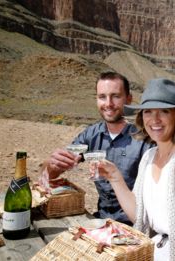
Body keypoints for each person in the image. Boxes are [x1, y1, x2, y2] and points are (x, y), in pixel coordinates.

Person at [96, 78, 175, 260]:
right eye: (148, 111)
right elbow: (139, 215)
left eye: (164, 111)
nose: (155, 119)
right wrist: (115, 177)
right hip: (162, 251)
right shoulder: (149, 157)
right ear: (141, 117)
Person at [40, 72, 152, 224]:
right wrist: (52, 164)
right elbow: (50, 174)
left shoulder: (145, 140)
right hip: (100, 220)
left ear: (129, 99)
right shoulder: (90, 135)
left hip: (136, 224)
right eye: (102, 97)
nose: (108, 103)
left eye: (116, 96)